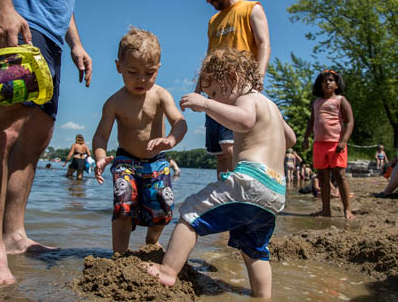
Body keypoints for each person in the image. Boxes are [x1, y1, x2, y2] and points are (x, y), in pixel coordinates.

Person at [0, 0, 92, 285]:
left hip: (51, 34)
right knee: (3, 128)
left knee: (37, 135)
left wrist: (75, 42)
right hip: (18, 18)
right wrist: (2, 8)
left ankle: (14, 235)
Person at [143, 49, 295, 299]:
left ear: (233, 78)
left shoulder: (247, 99)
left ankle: (168, 271)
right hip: (275, 191)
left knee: (190, 213)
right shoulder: (271, 106)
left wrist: (205, 104)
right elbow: (291, 139)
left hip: (250, 180)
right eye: (209, 95)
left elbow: (244, 121)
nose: (214, 99)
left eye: (214, 92)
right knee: (254, 249)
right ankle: (262, 295)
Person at [92, 27, 187, 253]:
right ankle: (120, 253)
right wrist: (100, 156)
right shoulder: (114, 102)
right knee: (123, 206)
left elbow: (180, 122)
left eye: (149, 72)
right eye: (133, 72)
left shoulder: (161, 95)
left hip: (157, 160)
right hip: (126, 161)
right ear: (119, 67)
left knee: (163, 206)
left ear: (158, 69)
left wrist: (171, 140)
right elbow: (100, 135)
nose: (141, 79)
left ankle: (152, 242)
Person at [197, 0, 271, 180]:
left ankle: (239, 194)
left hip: (241, 89)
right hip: (214, 92)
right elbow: (210, 54)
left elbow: (264, 44)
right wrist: (200, 84)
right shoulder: (213, 22)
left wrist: (259, 78)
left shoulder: (251, 8)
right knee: (220, 153)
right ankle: (223, 197)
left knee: (232, 148)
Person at [302, 70, 355, 219]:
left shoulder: (340, 100)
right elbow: (311, 122)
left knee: (340, 176)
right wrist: (306, 138)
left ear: (337, 84)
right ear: (319, 85)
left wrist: (343, 141)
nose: (327, 83)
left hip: (336, 143)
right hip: (319, 144)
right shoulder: (316, 102)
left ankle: (347, 210)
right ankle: (326, 210)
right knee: (322, 177)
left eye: (331, 80)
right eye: (324, 81)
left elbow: (350, 122)